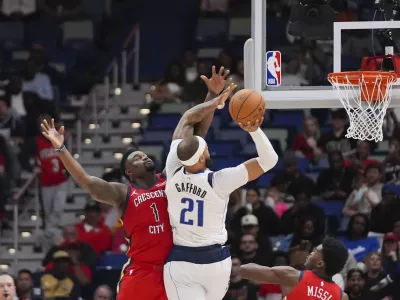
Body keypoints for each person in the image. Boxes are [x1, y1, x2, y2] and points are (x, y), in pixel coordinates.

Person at [41, 66, 232, 300]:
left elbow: (197, 140)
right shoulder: (124, 194)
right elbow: (86, 181)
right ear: (129, 172)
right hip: (140, 271)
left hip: (175, 269)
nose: (143, 156)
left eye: (143, 154)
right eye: (136, 158)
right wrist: (61, 149)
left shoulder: (171, 177)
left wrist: (212, 95)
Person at [163, 88, 279, 299]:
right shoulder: (217, 181)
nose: (209, 150)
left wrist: (213, 101)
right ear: (200, 159)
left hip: (182, 261)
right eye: (206, 149)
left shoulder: (172, 170)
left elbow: (187, 119)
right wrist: (253, 129)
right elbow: (269, 161)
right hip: (216, 263)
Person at [239, 237, 350, 300]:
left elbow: (245, 270)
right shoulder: (341, 297)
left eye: (315, 251)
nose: (311, 252)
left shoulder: (293, 276)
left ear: (320, 263)